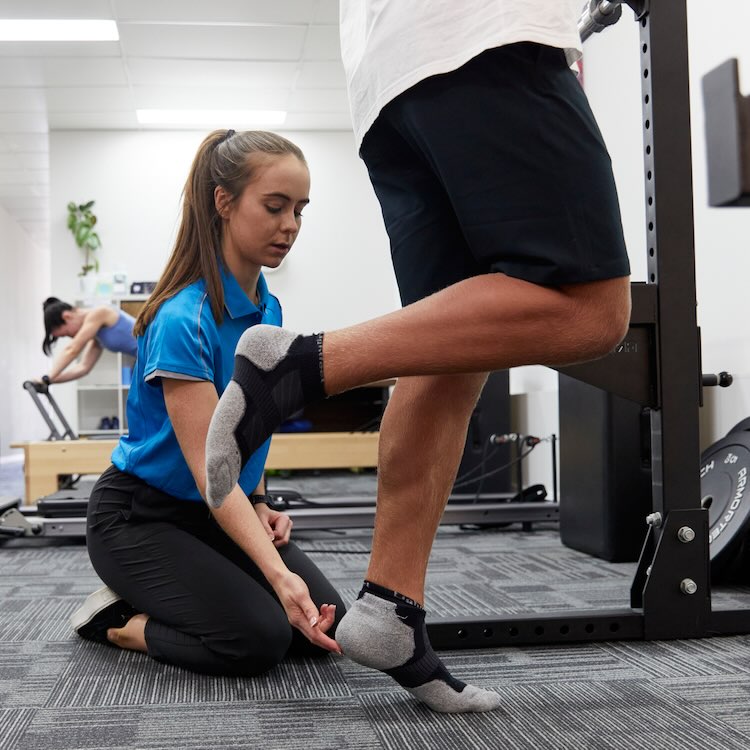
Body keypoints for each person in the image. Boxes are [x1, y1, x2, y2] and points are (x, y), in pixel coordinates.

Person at [205, 1, 632, 712]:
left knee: (451, 359)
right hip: (484, 37)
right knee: (591, 309)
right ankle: (297, 369)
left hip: (389, 83)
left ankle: (390, 609)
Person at [68, 129, 345, 677]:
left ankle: (205, 587)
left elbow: (254, 423)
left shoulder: (270, 309)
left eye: (299, 210)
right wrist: (276, 574)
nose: (289, 226)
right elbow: (210, 470)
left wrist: (263, 501)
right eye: (274, 206)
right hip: (139, 517)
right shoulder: (181, 318)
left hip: (215, 511)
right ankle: (119, 618)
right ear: (224, 202)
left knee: (321, 629)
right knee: (259, 639)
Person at [40, 297, 137, 384]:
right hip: (146, 360)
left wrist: (49, 376)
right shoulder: (96, 335)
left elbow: (72, 349)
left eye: (67, 333)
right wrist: (49, 381)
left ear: (67, 316)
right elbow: (83, 368)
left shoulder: (99, 313)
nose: (72, 338)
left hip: (152, 356)